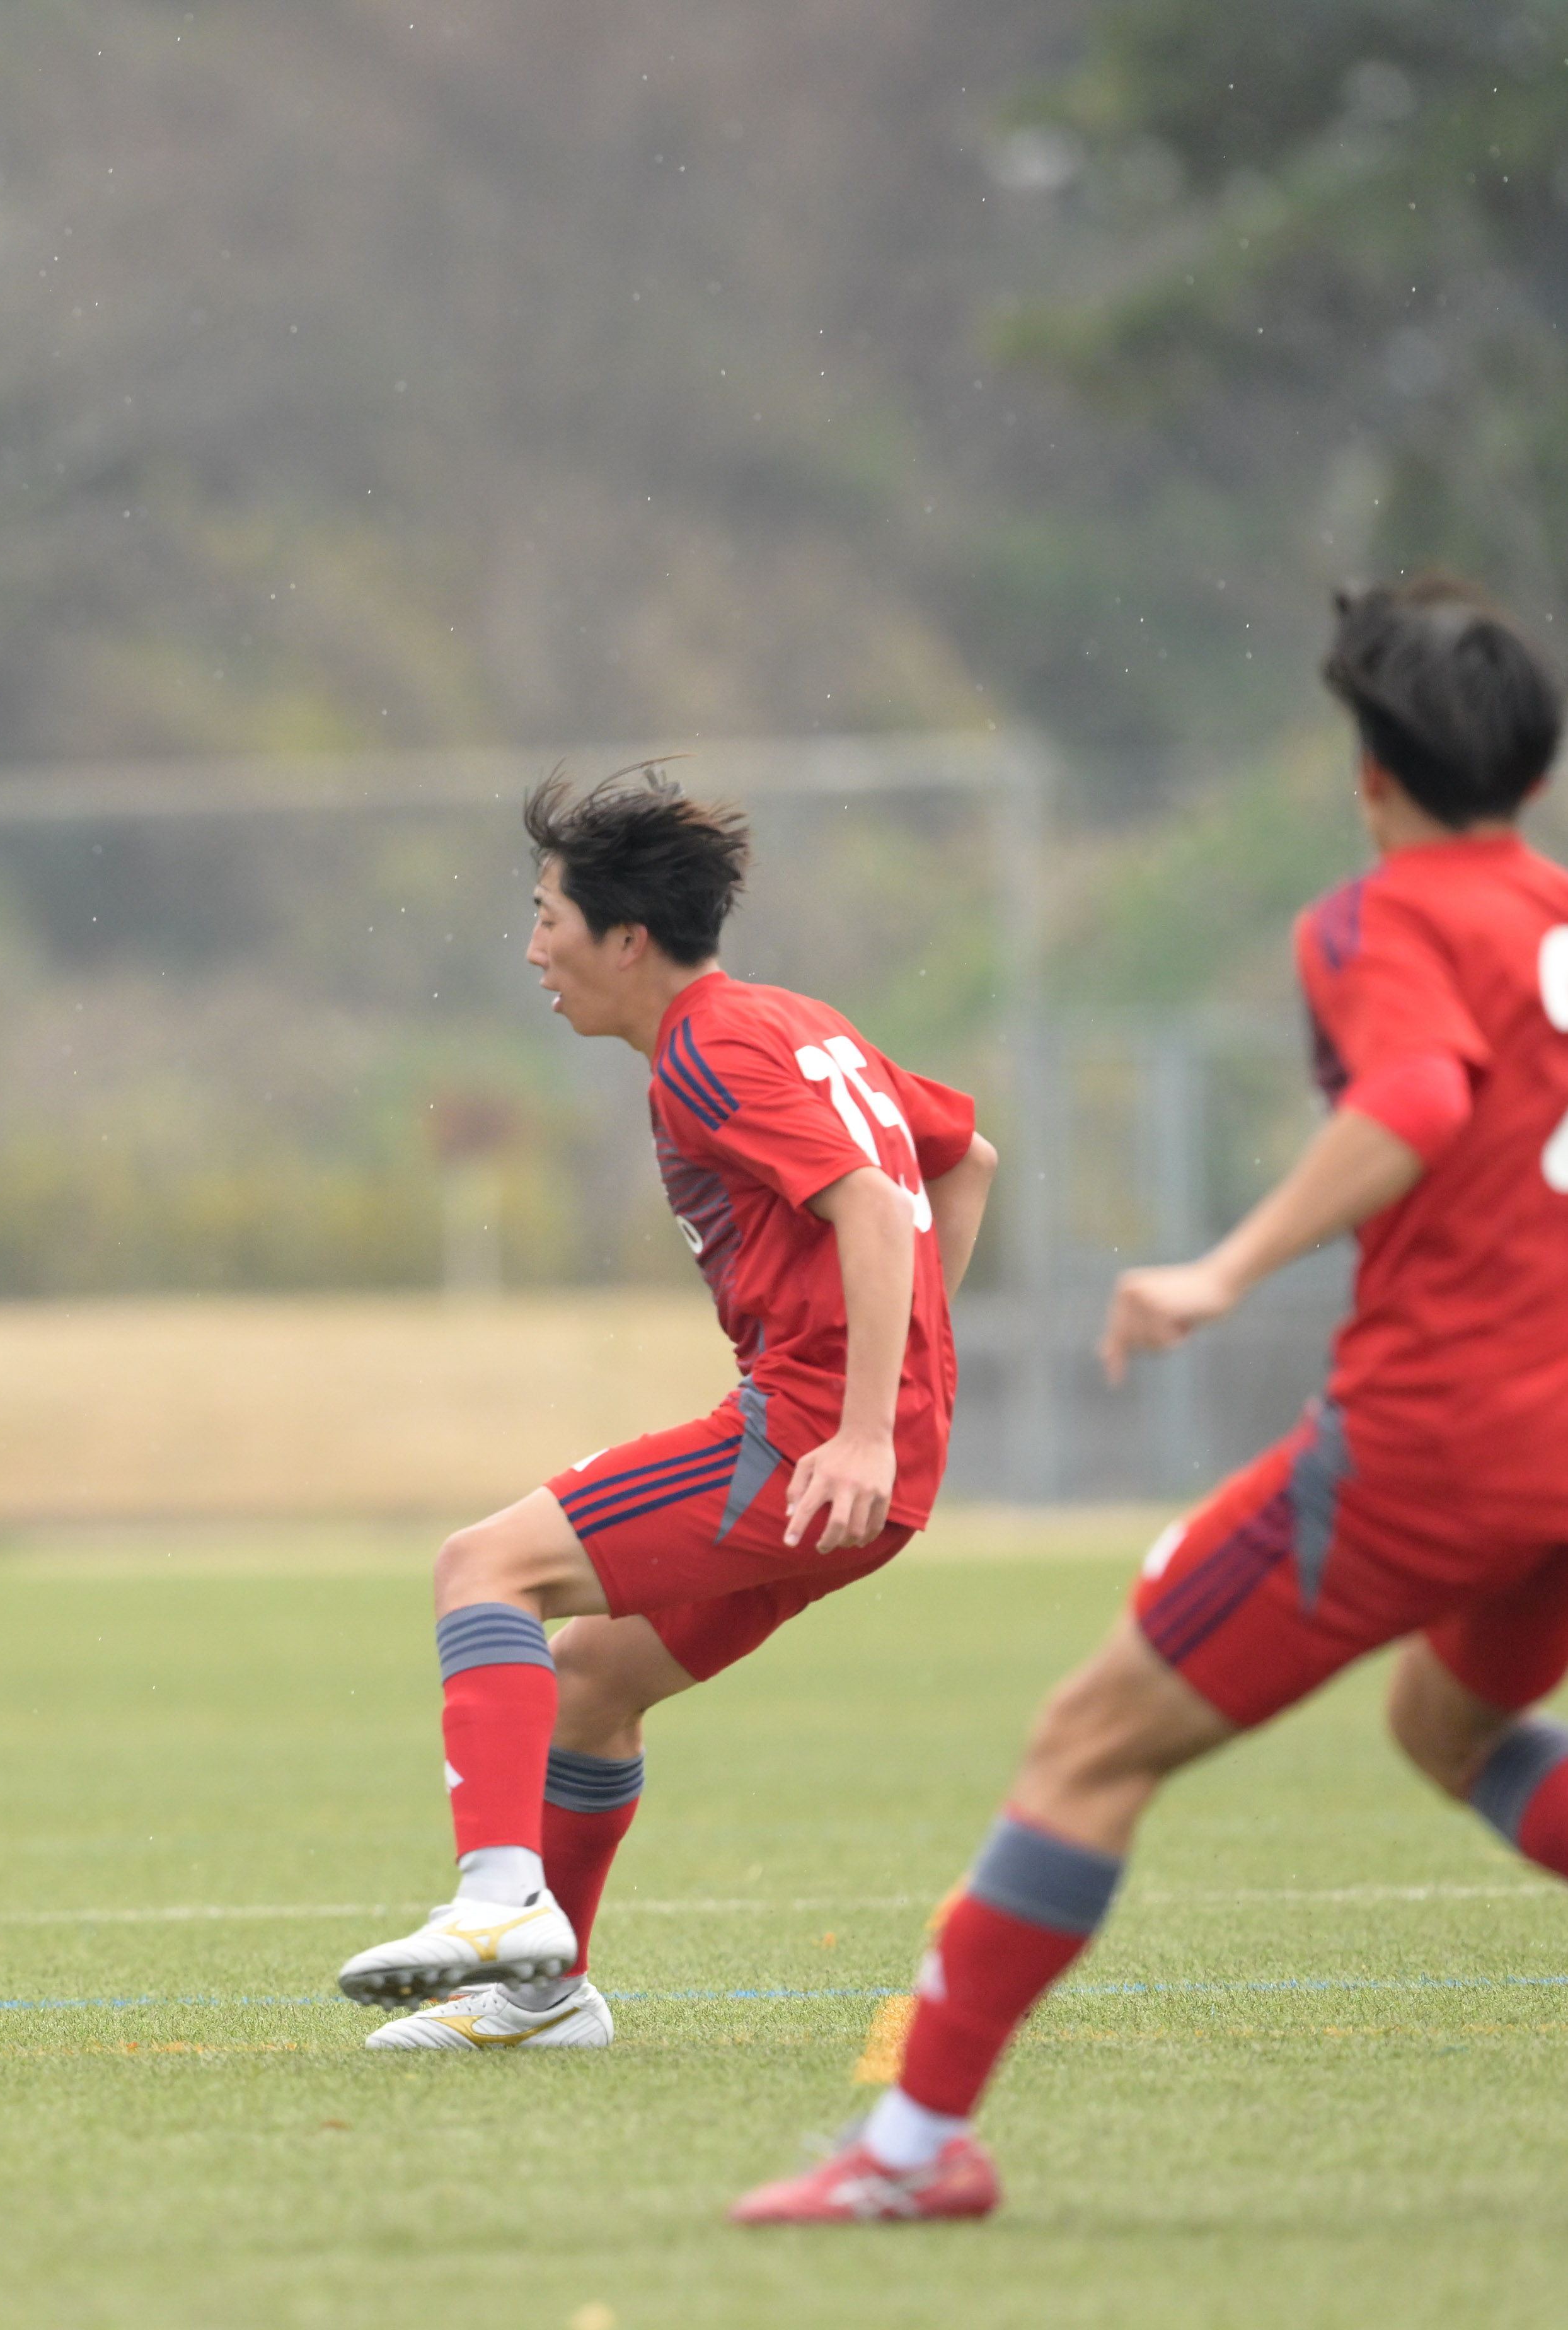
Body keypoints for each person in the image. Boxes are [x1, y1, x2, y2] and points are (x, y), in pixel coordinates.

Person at [734, 577, 1568, 2223]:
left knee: (1087, 1743)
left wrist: (1220, 1267)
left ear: (1371, 776)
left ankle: (909, 2150)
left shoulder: (1378, 919)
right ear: (1535, 776)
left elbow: (1415, 1096)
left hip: (1444, 1444)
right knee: (1442, 1726)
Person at [338, 767, 997, 2052]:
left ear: (627, 938)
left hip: (810, 1443)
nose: (534, 951)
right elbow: (963, 1160)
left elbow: (876, 1204)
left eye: (548, 919)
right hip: (867, 1464)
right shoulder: (795, 1020)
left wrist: (862, 1419)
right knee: (590, 1680)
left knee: (482, 1568)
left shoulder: (707, 1049)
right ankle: (546, 1997)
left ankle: (496, 1905)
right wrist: (902, 1387)